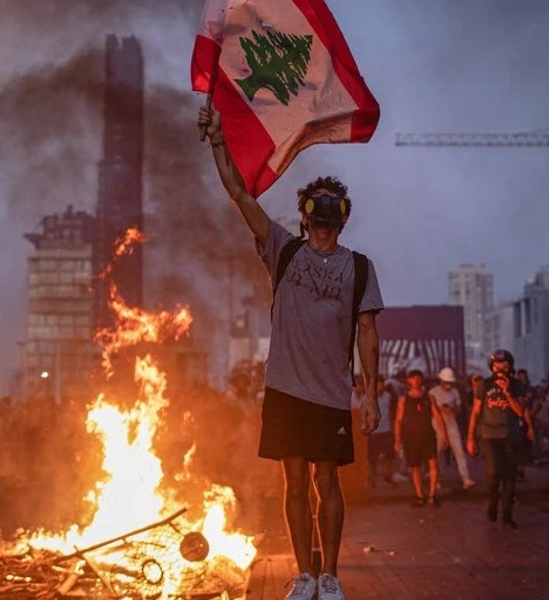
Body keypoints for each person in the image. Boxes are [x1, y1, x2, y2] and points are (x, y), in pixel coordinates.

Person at [200, 104, 384, 600]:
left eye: (333, 205)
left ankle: (330, 575)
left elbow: (368, 333)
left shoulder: (360, 268)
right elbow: (240, 194)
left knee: (329, 483)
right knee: (295, 483)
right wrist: (219, 141)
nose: (325, 212)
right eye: (317, 204)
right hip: (285, 388)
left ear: (342, 215)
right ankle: (305, 575)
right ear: (305, 213)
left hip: (330, 392)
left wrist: (370, 394)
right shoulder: (282, 249)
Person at [467, 350, 528, 530]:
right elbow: (476, 412)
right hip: (489, 435)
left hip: (511, 435)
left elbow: (520, 412)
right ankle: (493, 499)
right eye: (497, 365)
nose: (501, 368)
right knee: (494, 472)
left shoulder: (516, 385)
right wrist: (470, 437)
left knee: (510, 477)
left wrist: (507, 392)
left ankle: (507, 516)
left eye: (504, 364)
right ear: (492, 367)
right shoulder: (484, 385)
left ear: (510, 366)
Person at [395, 370, 447, 507]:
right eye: (413, 379)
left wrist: (444, 434)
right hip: (411, 436)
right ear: (409, 381)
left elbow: (437, 416)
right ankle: (419, 496)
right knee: (415, 467)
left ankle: (432, 495)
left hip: (428, 435)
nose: (416, 381)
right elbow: (399, 420)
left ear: (421, 380)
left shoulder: (429, 398)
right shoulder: (404, 399)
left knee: (433, 464)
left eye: (418, 378)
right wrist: (397, 440)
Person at [429, 367, 476, 490]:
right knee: (436, 453)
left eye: (450, 382)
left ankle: (465, 478)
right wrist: (441, 409)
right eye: (446, 382)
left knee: (459, 451)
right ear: (441, 380)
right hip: (437, 425)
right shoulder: (433, 392)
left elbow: (459, 408)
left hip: (451, 424)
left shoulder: (455, 392)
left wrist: (451, 410)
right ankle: (435, 479)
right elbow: (431, 410)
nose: (448, 385)